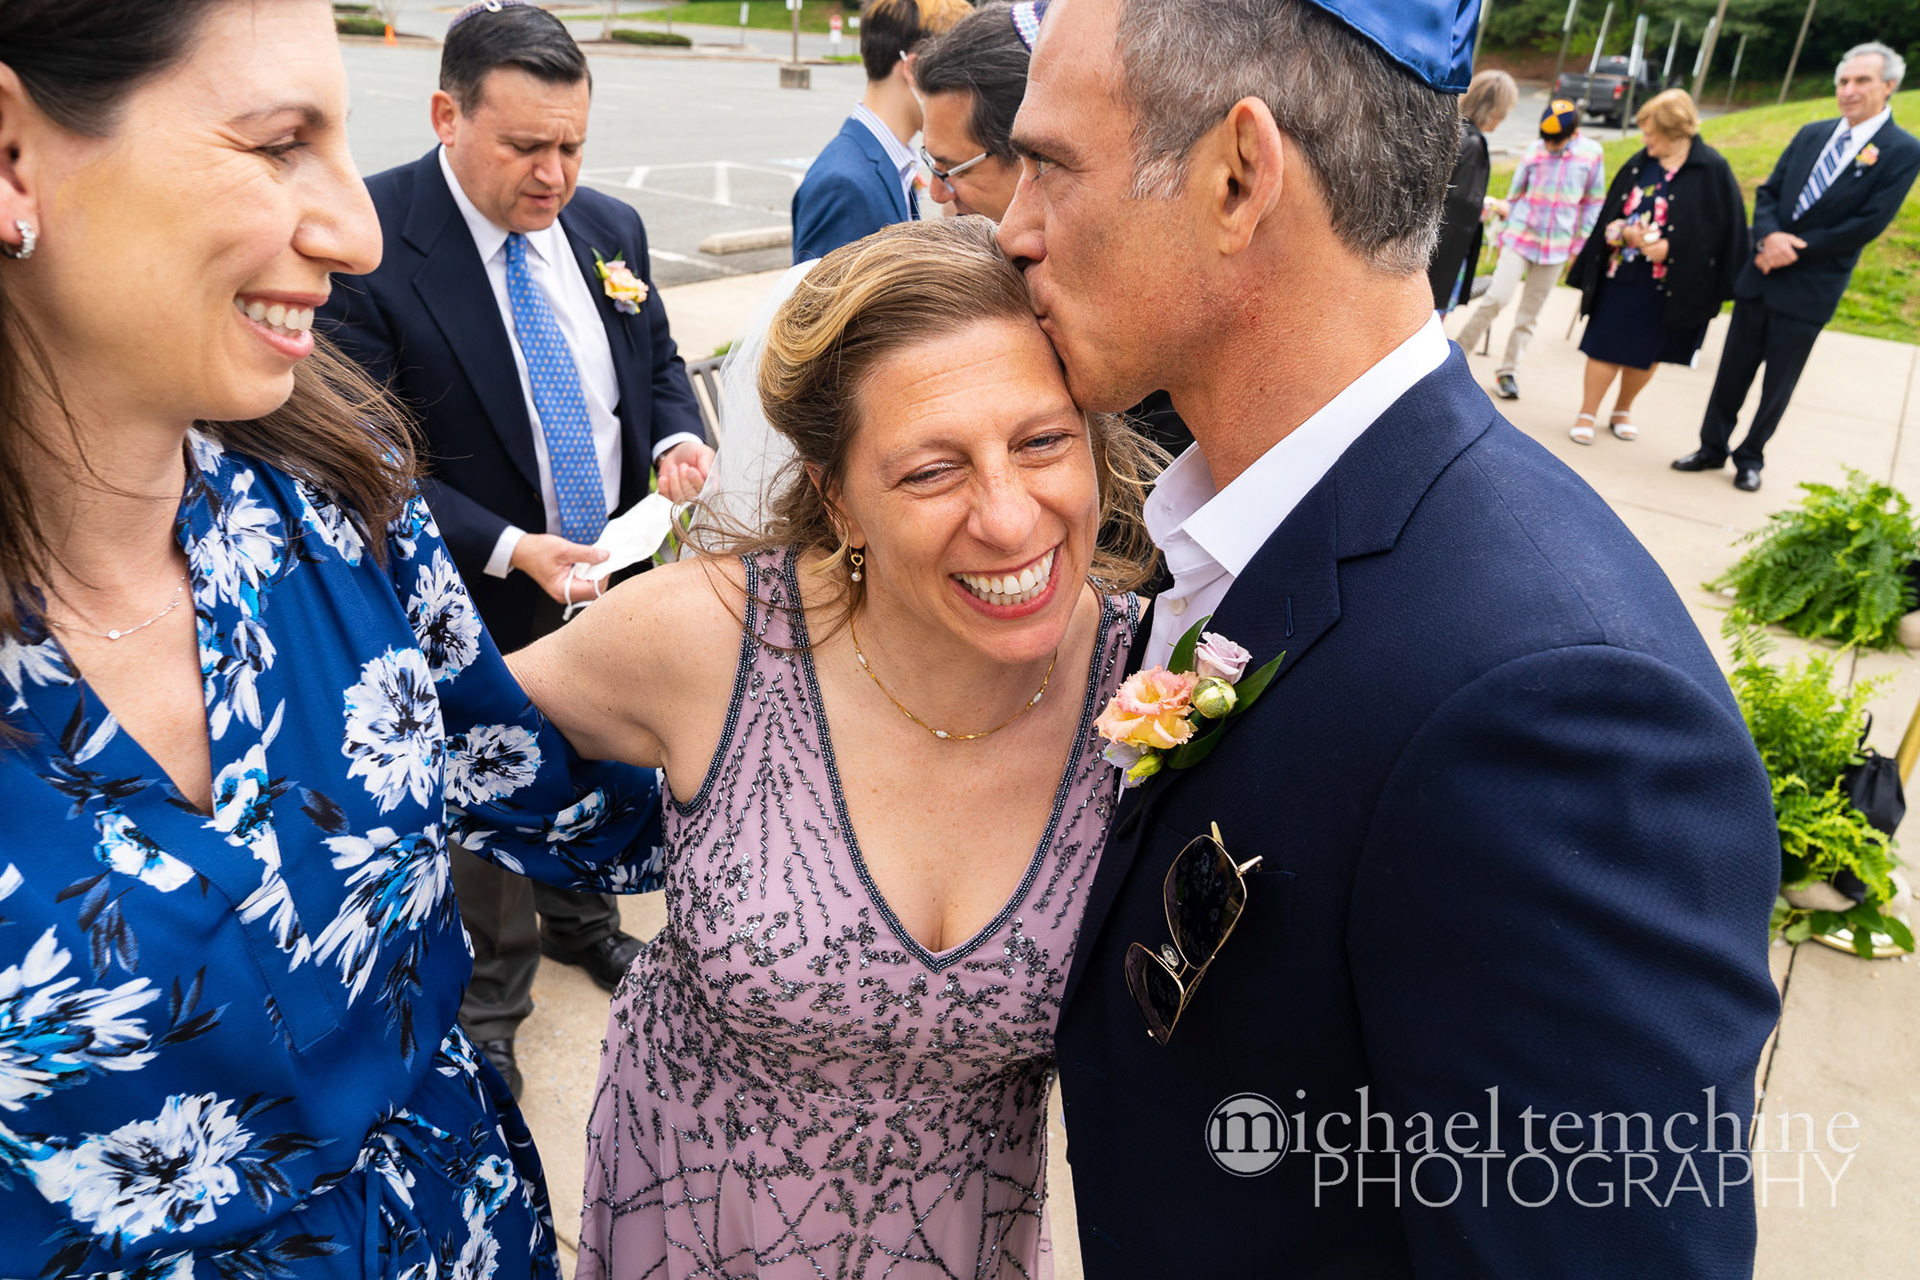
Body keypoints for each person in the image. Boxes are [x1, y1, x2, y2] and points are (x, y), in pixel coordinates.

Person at [997, 0, 1781, 1274]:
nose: (1011, 225)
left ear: (1239, 177)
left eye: (1049, 164)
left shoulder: (1557, 709)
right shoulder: (1259, 520)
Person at [0, 2, 664, 1276]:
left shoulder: (339, 497)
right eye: (276, 142)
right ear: (13, 155)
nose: (354, 231)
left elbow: (525, 777)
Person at [508, 218, 1158, 1278]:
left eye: (1042, 441)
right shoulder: (705, 638)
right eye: (932, 470)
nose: (1008, 516)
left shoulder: (1154, 689)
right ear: (837, 499)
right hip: (693, 1231)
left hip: (962, 1245)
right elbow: (396, 756)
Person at [318, 1, 707, 1094]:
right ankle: (494, 985)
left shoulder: (611, 230)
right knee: (489, 785)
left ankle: (587, 915)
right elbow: (359, 449)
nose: (555, 175)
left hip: (612, 566)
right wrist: (506, 547)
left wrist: (675, 434)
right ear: (448, 114)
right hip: (479, 584)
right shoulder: (372, 241)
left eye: (573, 145)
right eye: (527, 146)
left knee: (603, 754)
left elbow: (657, 357)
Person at [1674, 42, 1920, 492]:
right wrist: (1769, 238)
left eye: (1861, 81)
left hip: (1810, 287)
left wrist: (1796, 249)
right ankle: (1711, 447)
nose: (1848, 90)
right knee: (1731, 372)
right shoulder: (1812, 132)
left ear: (1889, 86)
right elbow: (1769, 191)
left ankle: (1751, 457)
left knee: (1777, 385)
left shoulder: (1902, 150)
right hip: (1762, 273)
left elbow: (1869, 222)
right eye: (1843, 81)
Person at [1566, 90, 1746, 446]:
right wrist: (1626, 233)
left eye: (1651, 133)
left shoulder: (1711, 169)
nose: (1645, 140)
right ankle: (1587, 412)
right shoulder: (1639, 163)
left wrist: (1673, 249)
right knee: (1605, 345)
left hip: (1670, 285)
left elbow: (1723, 235)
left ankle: (1622, 410)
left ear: (1676, 132)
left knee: (1648, 351)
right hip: (1623, 276)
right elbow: (1609, 219)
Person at [790, 0, 971, 263]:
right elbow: (824, 303)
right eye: (955, 73)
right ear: (914, 70)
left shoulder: (890, 163)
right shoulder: (844, 185)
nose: (964, 92)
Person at [1451, 97, 1606, 400]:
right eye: (1546, 140)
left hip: (1557, 248)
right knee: (1496, 298)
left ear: (1574, 134)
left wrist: (1579, 244)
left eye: (1556, 141)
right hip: (1521, 238)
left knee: (1529, 316)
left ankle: (1508, 371)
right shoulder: (1534, 152)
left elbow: (1593, 202)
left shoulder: (1592, 154)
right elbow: (1516, 194)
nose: (1549, 146)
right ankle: (1457, 360)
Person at [1427, 68, 1516, 311]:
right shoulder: (1474, 144)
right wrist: (1488, 208)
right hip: (1443, 258)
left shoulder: (1451, 129)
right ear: (1494, 109)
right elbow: (1462, 205)